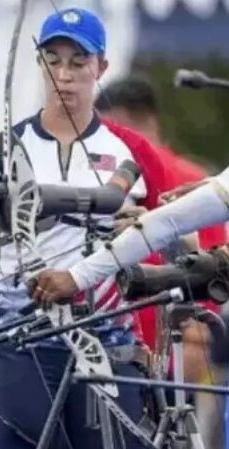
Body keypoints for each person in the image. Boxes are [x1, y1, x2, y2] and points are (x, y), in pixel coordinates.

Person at [0, 8, 169, 449]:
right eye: (52, 60)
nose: (64, 74)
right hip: (19, 341)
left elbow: (166, 232)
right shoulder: (2, 149)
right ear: (39, 63)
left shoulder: (131, 150)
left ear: (100, 68)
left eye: (78, 61)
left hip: (107, 340)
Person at [96, 76, 225, 384]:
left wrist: (197, 334)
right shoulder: (109, 175)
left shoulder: (188, 180)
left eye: (111, 129)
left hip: (171, 350)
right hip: (123, 344)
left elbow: (212, 266)